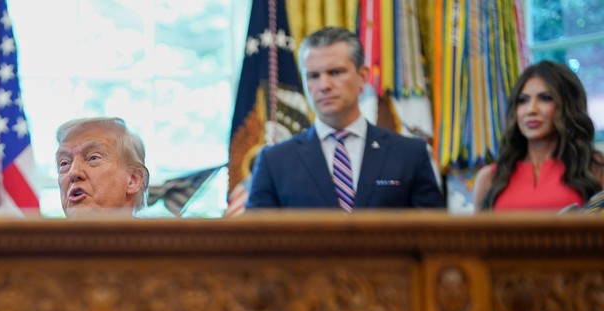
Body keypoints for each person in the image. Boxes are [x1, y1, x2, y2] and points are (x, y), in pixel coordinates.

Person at [246, 26, 444, 210]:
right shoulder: (274, 162)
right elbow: (256, 242)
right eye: (313, 76)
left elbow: (435, 238)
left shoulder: (409, 155)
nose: (324, 85)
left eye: (335, 72)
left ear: (362, 76)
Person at [473, 60, 604, 212]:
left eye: (545, 98)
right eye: (523, 100)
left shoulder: (595, 168)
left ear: (568, 106)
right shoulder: (489, 177)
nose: (531, 110)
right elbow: (478, 235)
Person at [55, 117, 149, 217]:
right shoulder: (43, 232)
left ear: (133, 180)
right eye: (64, 163)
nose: (73, 172)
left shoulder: (162, 232)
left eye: (93, 158)